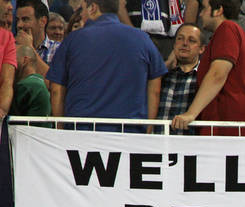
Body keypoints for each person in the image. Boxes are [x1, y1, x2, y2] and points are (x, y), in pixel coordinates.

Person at [46, 0, 168, 131]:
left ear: (93, 8)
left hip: (81, 132)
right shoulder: (143, 39)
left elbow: (56, 90)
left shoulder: (72, 40)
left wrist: (61, 130)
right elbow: (155, 90)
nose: (80, 14)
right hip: (129, 133)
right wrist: (147, 129)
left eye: (82, 9)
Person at [172, 0, 245, 135]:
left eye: (204, 9)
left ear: (218, 10)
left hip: (228, 128)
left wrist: (191, 113)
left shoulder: (227, 29)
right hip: (231, 126)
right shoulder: (232, 33)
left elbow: (217, 74)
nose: (200, 14)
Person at [156, 23, 204, 135]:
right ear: (174, 45)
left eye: (191, 40)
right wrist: (167, 65)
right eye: (180, 39)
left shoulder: (205, 78)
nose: (185, 43)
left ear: (201, 49)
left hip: (189, 142)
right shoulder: (161, 73)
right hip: (158, 141)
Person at [118, 0, 198, 59]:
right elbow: (119, 5)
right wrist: (134, 36)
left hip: (168, 40)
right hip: (136, 37)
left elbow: (189, 3)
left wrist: (179, 45)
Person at [15, 0, 59, 74]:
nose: (19, 25)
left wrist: (29, 48)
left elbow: (53, 79)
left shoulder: (57, 49)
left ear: (43, 21)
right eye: (17, 20)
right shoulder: (11, 48)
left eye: (25, 19)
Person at [10, 45, 49, 117]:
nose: (9, 63)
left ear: (25, 60)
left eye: (12, 58)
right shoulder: (39, 81)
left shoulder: (29, 85)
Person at [0, 0, 14, 120]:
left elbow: (7, 81)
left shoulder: (7, 37)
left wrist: (2, 110)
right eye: (5, 1)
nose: (10, 7)